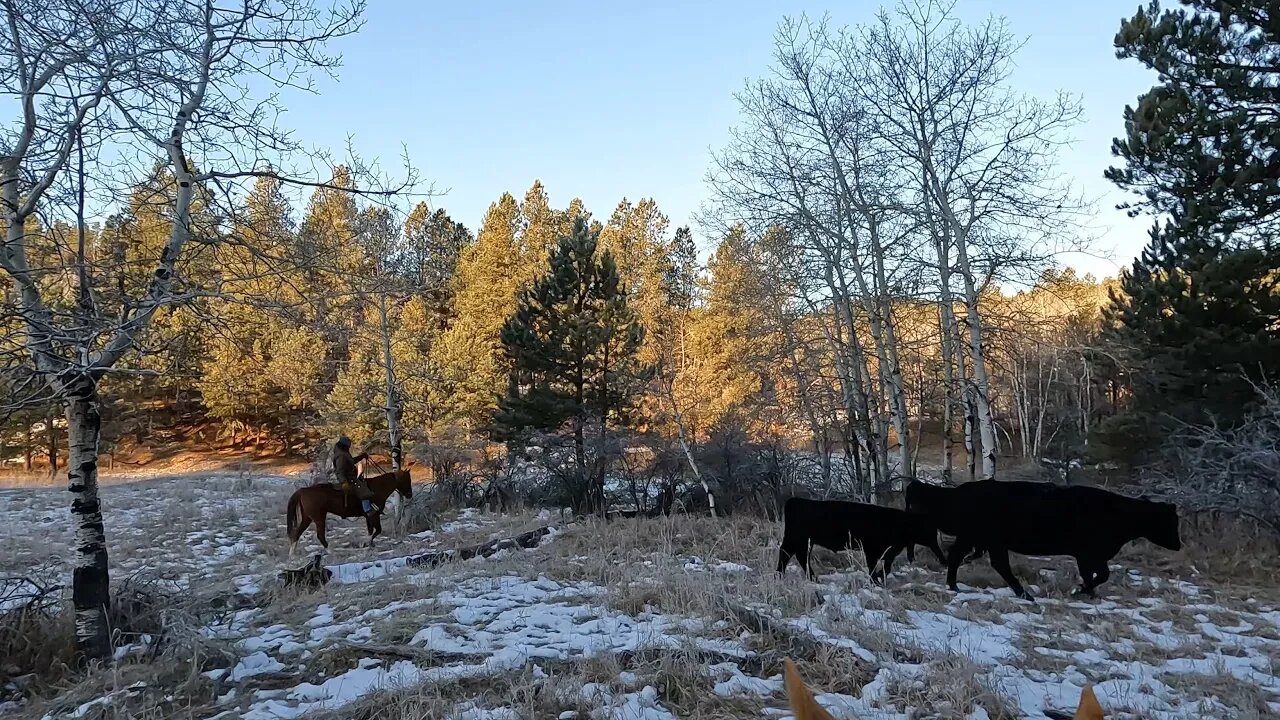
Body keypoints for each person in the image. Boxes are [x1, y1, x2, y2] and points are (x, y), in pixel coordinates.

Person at [333, 436, 376, 519]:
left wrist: (361, 457)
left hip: (351, 476)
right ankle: (367, 510)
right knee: (362, 488)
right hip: (348, 478)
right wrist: (344, 481)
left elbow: (351, 461)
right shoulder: (341, 455)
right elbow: (340, 470)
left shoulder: (343, 452)